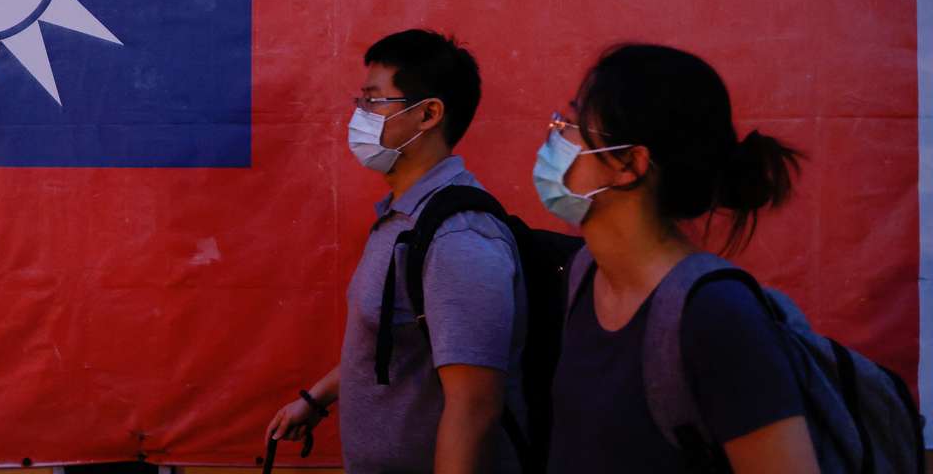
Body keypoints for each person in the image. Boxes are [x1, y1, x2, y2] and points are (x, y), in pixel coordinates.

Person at [539, 43, 817, 474]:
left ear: (629, 163)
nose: (555, 137)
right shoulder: (585, 273)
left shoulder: (716, 315)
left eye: (573, 124)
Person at [265, 29, 525, 474]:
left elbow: (474, 409)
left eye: (373, 101)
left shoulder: (458, 238)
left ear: (428, 114)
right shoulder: (404, 217)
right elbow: (392, 343)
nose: (358, 115)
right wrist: (316, 399)